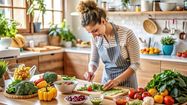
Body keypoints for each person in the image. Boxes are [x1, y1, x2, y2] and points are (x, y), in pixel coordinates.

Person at [77, 0, 140, 90]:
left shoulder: (126, 34)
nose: (94, 35)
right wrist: (91, 71)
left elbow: (135, 64)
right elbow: (94, 61)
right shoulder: (95, 37)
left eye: (95, 30)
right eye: (90, 32)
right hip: (107, 84)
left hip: (127, 86)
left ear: (103, 21)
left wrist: (116, 81)